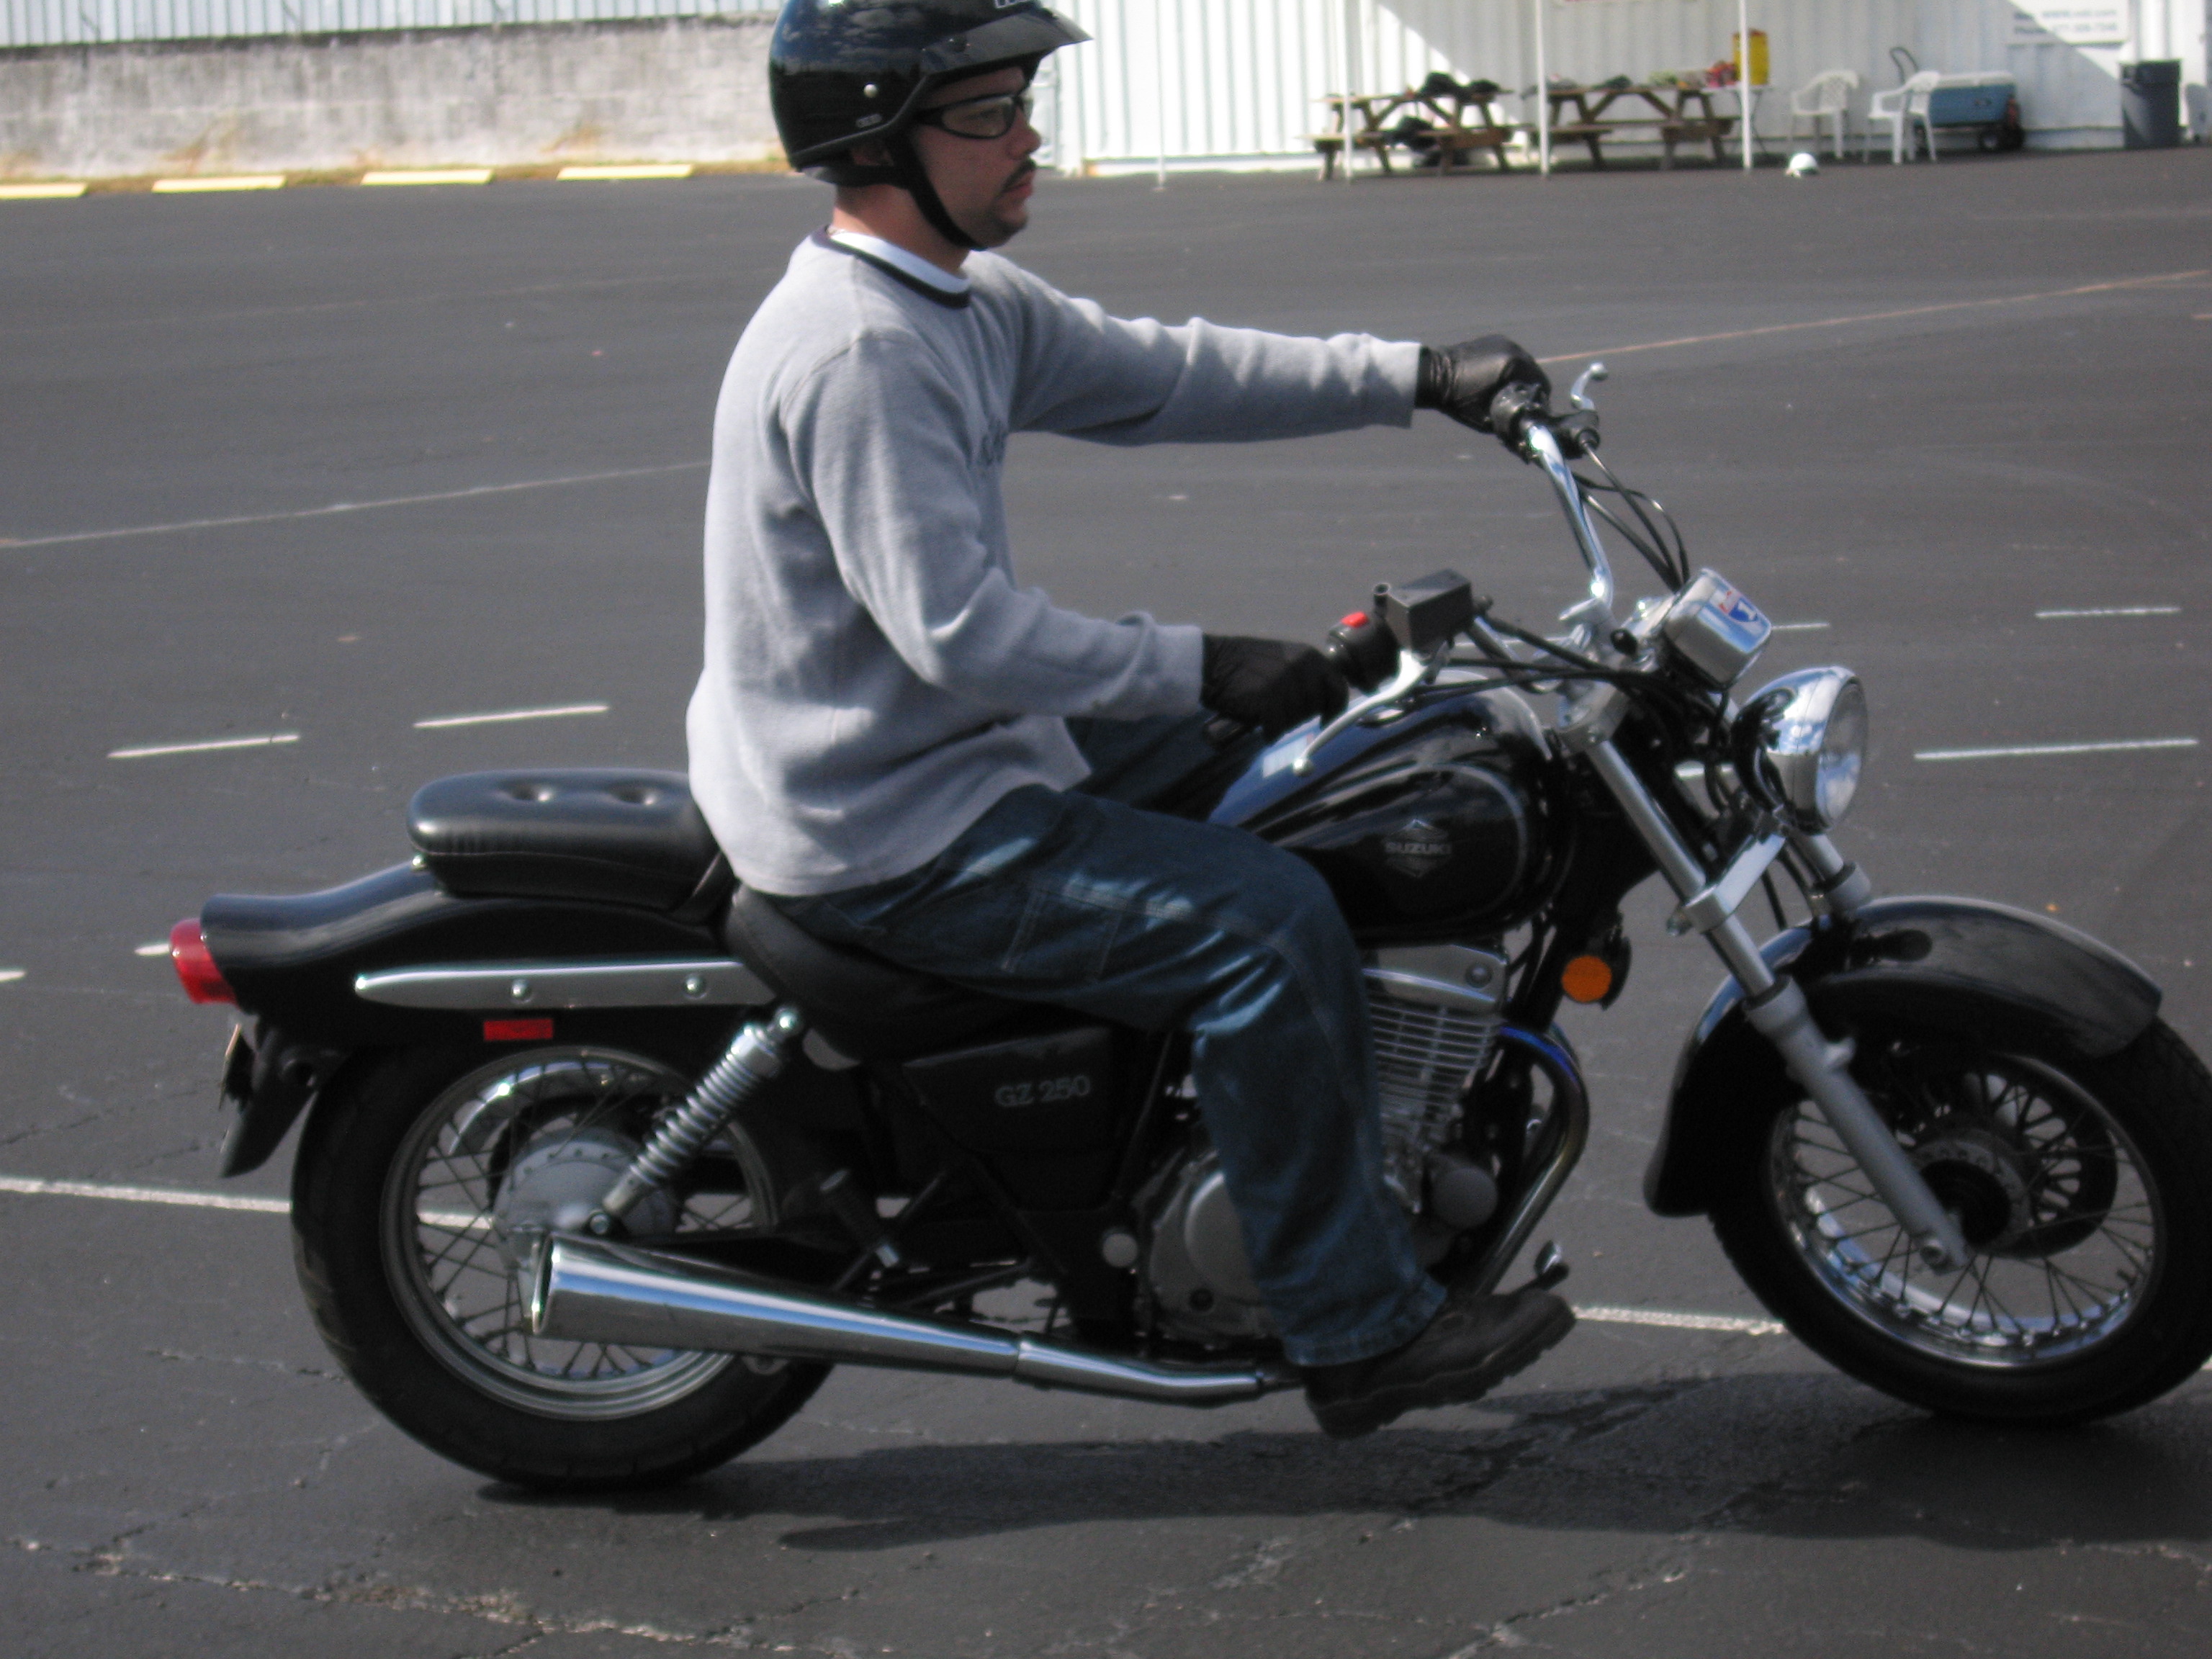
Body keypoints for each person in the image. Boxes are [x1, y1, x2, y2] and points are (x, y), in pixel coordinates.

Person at [686, 0, 1573, 1439]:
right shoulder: (861, 354)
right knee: (1268, 924)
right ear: (881, 140)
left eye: (1022, 102)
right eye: (987, 112)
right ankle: (1357, 1326)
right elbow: (962, 635)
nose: (1027, 137)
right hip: (885, 817)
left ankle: (1215, 1132)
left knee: (1308, 773)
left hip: (922, 750)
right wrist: (1200, 664)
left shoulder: (956, 301)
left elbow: (1170, 373)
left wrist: (1417, 376)